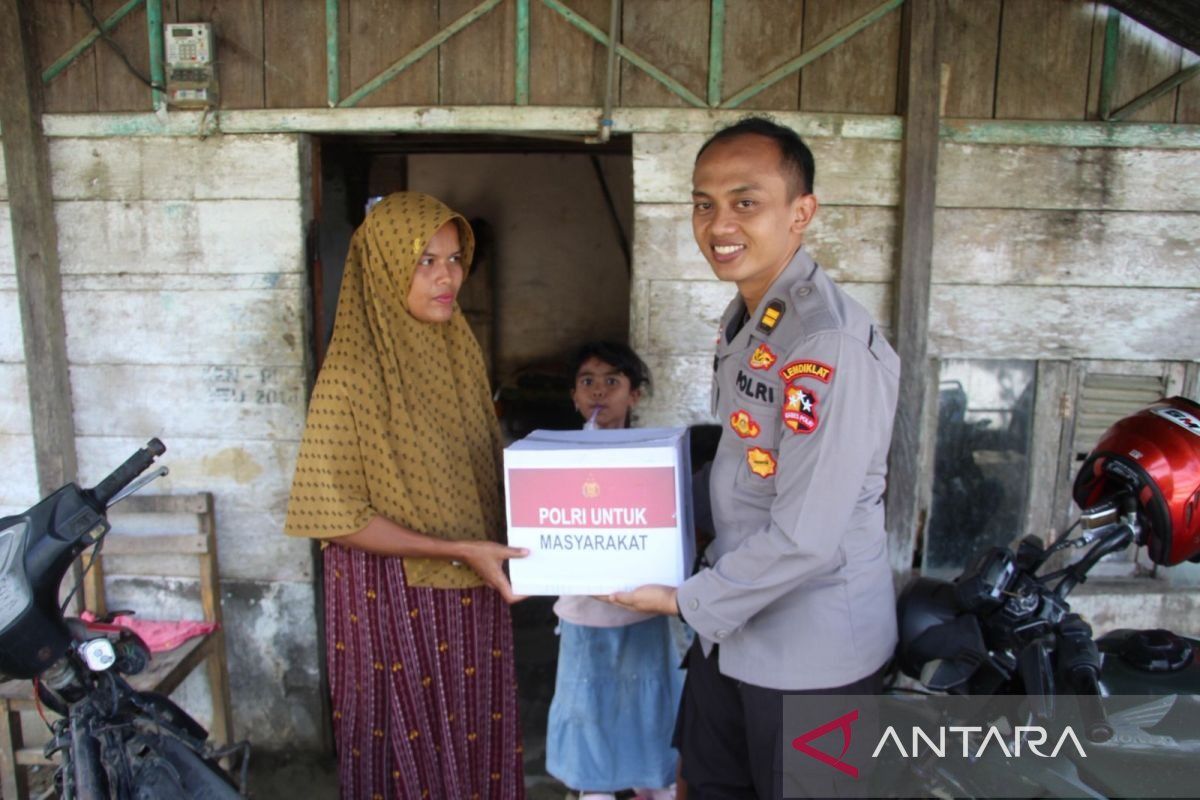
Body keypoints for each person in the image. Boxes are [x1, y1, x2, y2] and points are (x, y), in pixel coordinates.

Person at [608, 116, 901, 798]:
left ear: (802, 213)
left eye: (746, 201)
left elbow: (806, 537)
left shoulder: (824, 343)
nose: (719, 224)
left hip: (811, 658)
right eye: (703, 204)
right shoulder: (756, 316)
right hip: (732, 634)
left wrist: (680, 600)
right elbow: (744, 465)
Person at [284, 192, 528, 799]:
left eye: (453, 259)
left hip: (472, 587)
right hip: (390, 599)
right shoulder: (350, 375)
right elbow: (334, 515)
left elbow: (482, 468)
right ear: (385, 266)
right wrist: (453, 548)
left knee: (473, 741)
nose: (448, 277)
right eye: (426, 261)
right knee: (408, 755)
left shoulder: (459, 351)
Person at [545, 341, 681, 800]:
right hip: (583, 613)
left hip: (644, 611)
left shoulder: (654, 457)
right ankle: (594, 791)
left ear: (635, 395)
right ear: (573, 395)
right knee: (590, 714)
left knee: (649, 714)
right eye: (588, 382)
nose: (599, 392)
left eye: (612, 381)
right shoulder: (553, 461)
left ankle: (654, 788)